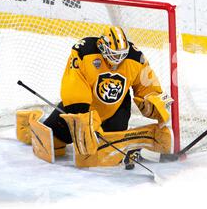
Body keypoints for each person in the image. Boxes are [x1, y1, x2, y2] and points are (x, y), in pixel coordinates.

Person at [16, 26, 174, 168]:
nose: (117, 59)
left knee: (101, 153)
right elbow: (74, 85)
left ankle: (133, 143)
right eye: (113, 54)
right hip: (87, 111)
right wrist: (82, 117)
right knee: (53, 143)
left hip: (115, 111)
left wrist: (153, 102)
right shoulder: (84, 51)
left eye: (121, 55)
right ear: (102, 46)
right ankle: (27, 123)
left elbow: (146, 85)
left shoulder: (135, 57)